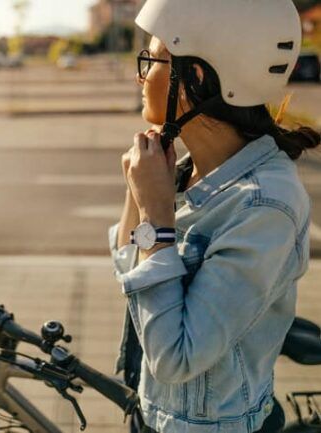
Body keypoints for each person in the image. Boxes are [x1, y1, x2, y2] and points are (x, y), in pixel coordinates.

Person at [108, 0, 321, 432]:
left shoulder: (264, 206)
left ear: (195, 78)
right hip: (154, 414)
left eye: (151, 60)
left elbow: (175, 356)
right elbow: (129, 269)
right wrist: (141, 193)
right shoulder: (190, 169)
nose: (141, 75)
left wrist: (154, 213)